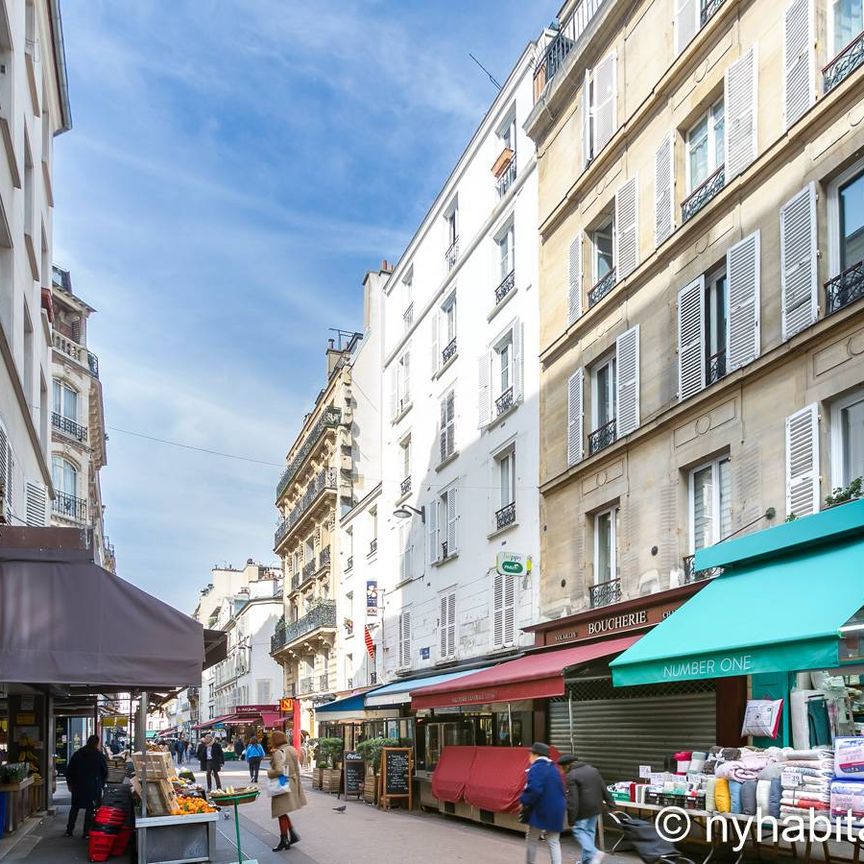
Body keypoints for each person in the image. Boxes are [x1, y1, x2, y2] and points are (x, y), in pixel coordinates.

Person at [558, 754, 615, 864]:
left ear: (566, 766)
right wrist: (611, 803)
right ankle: (587, 861)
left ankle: (594, 853)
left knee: (579, 831)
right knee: (589, 833)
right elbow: (603, 787)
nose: (560, 770)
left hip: (582, 810)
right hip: (596, 808)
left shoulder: (571, 775)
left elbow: (573, 800)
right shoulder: (592, 770)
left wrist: (571, 819)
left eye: (561, 768)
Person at [520, 742, 566, 864]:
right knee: (554, 841)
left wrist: (524, 800)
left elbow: (534, 789)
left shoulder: (537, 768)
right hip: (557, 809)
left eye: (530, 753)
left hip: (542, 809)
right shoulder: (553, 769)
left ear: (535, 754)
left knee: (532, 838)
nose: (529, 756)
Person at [267, 730, 306, 852]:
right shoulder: (292, 749)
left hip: (282, 785)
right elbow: (296, 767)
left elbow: (279, 770)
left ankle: (284, 839)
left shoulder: (278, 752)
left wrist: (269, 772)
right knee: (283, 811)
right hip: (292, 783)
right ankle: (292, 835)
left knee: (280, 812)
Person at [65, 735, 108, 839]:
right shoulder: (99, 756)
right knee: (90, 809)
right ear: (96, 743)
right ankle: (86, 833)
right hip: (92, 786)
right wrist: (101, 784)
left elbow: (70, 770)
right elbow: (104, 772)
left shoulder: (77, 754)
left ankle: (69, 831)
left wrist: (70, 783)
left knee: (75, 808)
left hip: (78, 786)